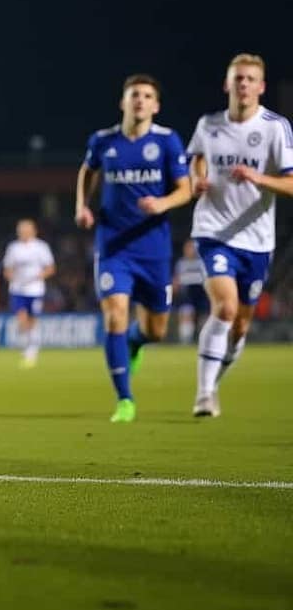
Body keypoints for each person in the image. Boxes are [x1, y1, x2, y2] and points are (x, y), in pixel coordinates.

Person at [76, 74, 192, 423]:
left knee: (156, 329)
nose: (139, 100)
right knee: (115, 316)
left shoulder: (168, 141)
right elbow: (87, 171)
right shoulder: (103, 141)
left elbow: (186, 189)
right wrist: (82, 205)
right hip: (113, 247)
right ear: (123, 102)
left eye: (146, 96)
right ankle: (125, 399)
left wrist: (163, 203)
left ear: (155, 105)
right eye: (134, 95)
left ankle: (137, 342)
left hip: (153, 250)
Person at [187, 54, 293, 418]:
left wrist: (259, 178)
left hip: (257, 241)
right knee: (225, 308)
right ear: (226, 84)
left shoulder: (275, 128)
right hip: (213, 231)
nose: (243, 84)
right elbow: (197, 159)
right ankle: (203, 394)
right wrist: (195, 180)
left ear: (261, 87)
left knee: (241, 324)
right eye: (238, 78)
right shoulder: (209, 125)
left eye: (250, 79)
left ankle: (215, 377)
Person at [2, 218, 55, 368]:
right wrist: (11, 277)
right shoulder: (13, 248)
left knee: (33, 320)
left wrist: (37, 277)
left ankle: (32, 349)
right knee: (22, 318)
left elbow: (50, 268)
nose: (23, 233)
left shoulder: (41, 247)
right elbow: (7, 269)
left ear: (33, 231)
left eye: (26, 230)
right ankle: (27, 346)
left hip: (35, 289)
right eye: (21, 230)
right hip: (17, 289)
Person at [172, 239, 207, 345]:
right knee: (186, 313)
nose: (190, 250)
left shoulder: (201, 262)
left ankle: (205, 340)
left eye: (192, 248)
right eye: (188, 248)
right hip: (186, 293)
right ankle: (185, 340)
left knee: (205, 316)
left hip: (201, 292)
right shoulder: (181, 263)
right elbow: (176, 279)